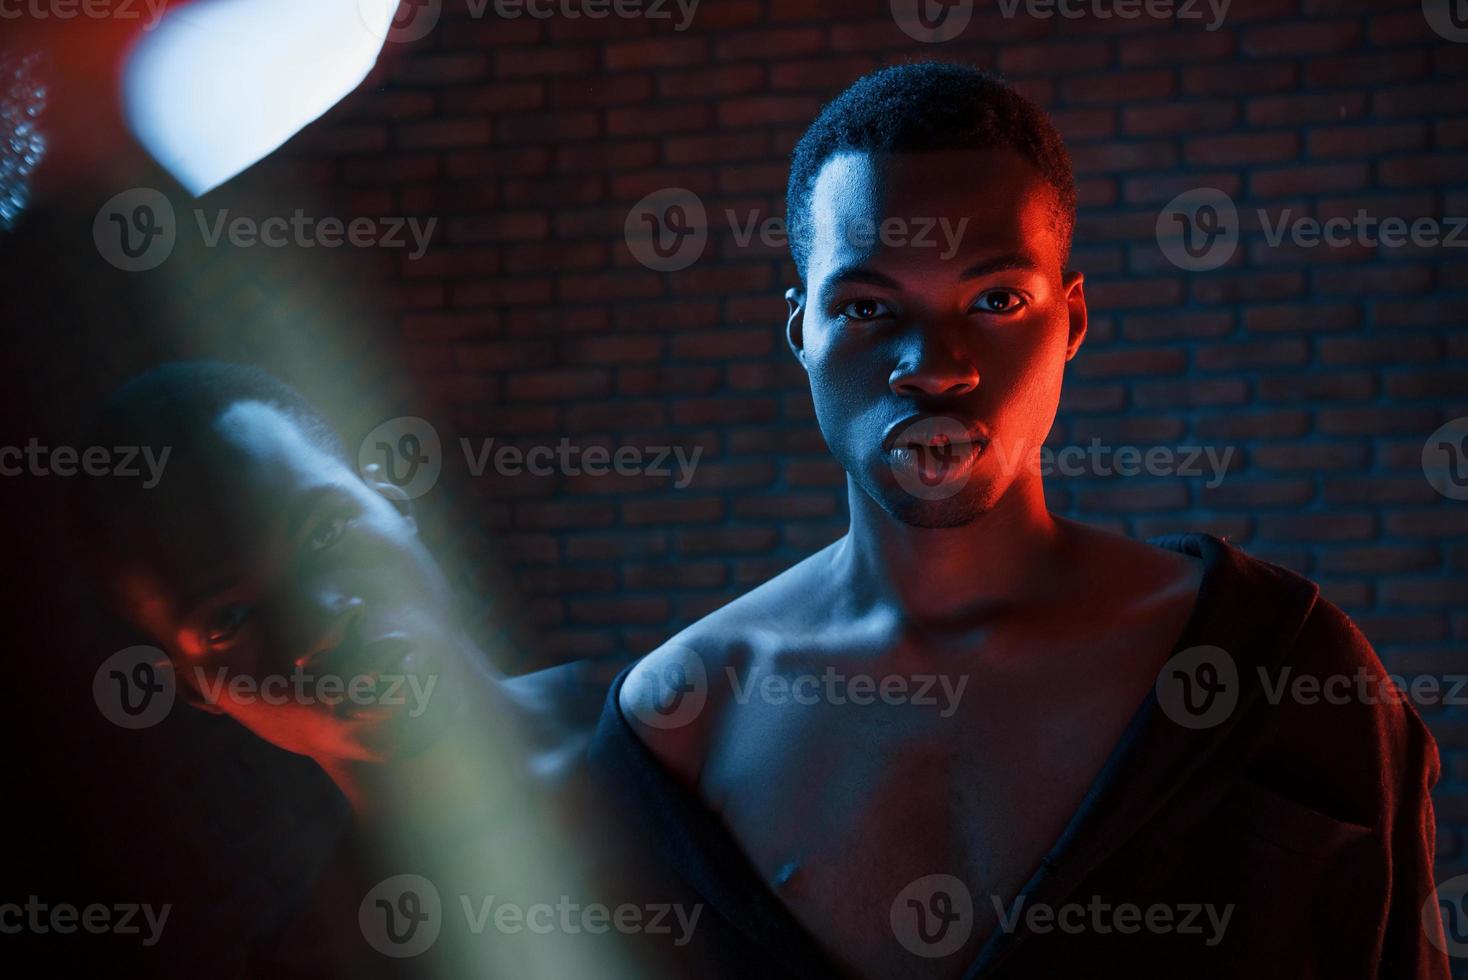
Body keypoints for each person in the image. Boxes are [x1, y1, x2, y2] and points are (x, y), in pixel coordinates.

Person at [602, 62, 1450, 978]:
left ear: (1071, 321)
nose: (933, 367)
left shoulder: (1281, 671)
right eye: (868, 307)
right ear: (801, 330)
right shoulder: (682, 726)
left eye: (998, 299)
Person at [82, 361, 677, 979]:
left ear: (395, 503)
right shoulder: (320, 963)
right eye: (229, 618)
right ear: (195, 687)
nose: (321, 625)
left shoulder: (704, 720)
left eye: (324, 534)